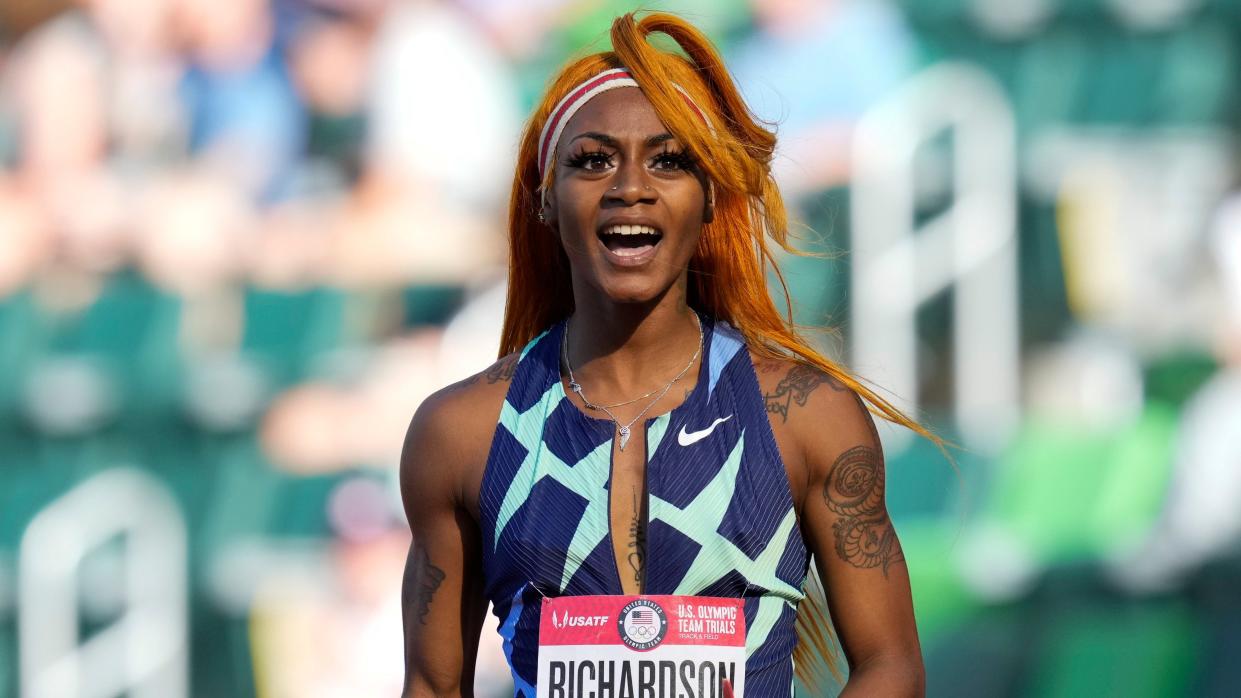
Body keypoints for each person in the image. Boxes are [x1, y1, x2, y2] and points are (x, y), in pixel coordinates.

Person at [399, 12, 929, 697]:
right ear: (543, 199)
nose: (630, 186)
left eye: (670, 160)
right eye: (591, 160)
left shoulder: (807, 416)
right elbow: (432, 686)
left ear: (710, 199)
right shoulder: (460, 433)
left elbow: (890, 666)